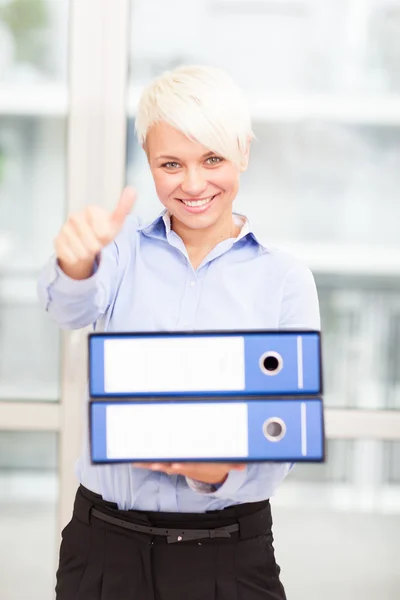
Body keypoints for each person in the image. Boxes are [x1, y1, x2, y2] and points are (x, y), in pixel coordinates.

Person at [38, 64, 320, 600]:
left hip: (228, 554)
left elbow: (283, 425)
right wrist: (76, 265)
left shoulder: (284, 279)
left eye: (212, 158)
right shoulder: (117, 255)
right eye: (171, 164)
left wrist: (217, 472)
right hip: (104, 548)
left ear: (243, 152)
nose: (193, 184)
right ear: (149, 162)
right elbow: (69, 310)